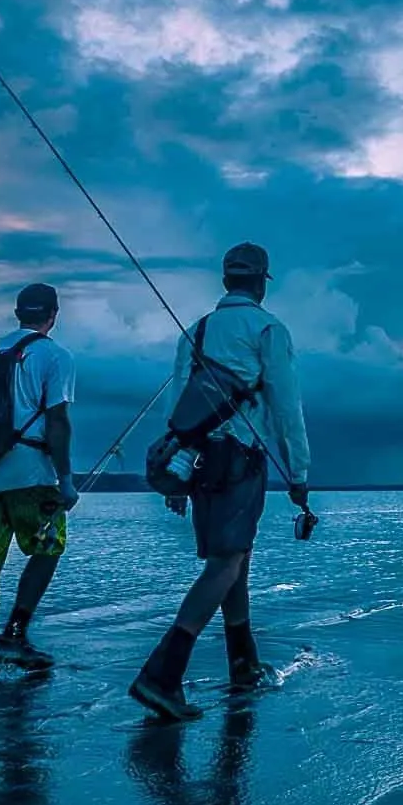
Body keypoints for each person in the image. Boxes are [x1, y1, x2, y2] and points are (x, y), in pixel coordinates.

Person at [129, 242, 312, 721]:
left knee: (235, 558)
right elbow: (286, 407)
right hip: (240, 459)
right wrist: (300, 474)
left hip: (197, 459)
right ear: (260, 282)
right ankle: (162, 676)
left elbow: (176, 408)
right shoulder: (268, 329)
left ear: (227, 280)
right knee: (225, 564)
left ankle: (243, 664)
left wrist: (178, 476)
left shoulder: (197, 331)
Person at [0, 282, 80, 672]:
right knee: (49, 548)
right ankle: (14, 633)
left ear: (18, 314)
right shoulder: (55, 355)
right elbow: (58, 421)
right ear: (53, 315)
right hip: (31, 474)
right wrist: (66, 479)